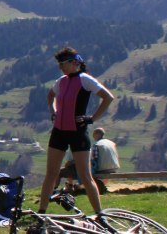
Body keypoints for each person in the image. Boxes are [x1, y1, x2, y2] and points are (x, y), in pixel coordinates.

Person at [37, 47, 115, 217]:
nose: (61, 68)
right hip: (58, 131)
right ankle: (41, 213)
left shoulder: (85, 79)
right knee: (51, 174)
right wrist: (53, 111)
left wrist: (91, 119)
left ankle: (100, 214)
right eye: (59, 65)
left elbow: (108, 97)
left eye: (63, 64)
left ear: (74, 62)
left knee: (85, 176)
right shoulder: (61, 81)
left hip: (77, 132)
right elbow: (50, 96)